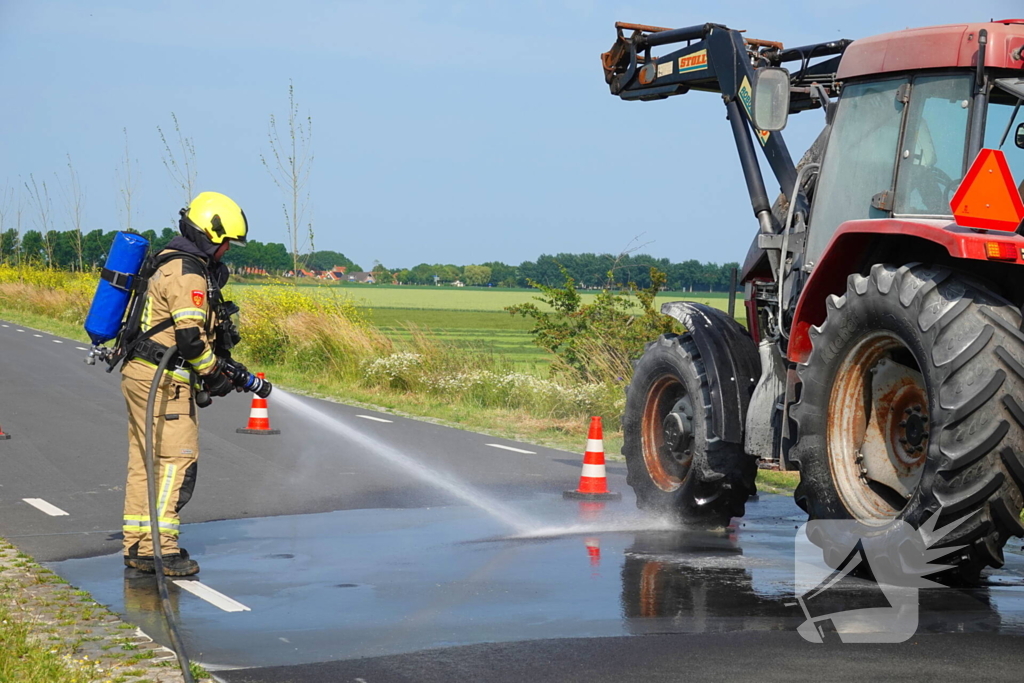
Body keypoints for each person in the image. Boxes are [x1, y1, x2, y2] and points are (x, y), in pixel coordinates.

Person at [121, 191, 248, 576]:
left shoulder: (169, 262)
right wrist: (214, 375)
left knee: (146, 462)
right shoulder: (188, 273)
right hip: (165, 380)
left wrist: (223, 366)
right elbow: (191, 340)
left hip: (142, 372)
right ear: (210, 235)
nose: (226, 251)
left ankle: (139, 543)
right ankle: (161, 548)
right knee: (176, 463)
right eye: (225, 242)